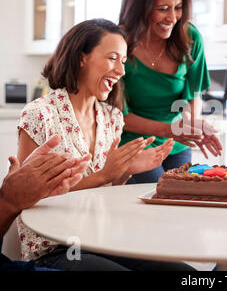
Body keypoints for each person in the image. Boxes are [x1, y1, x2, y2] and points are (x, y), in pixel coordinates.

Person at [15, 18, 193, 271]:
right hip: (56, 246)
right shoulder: (39, 115)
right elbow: (25, 197)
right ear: (81, 57)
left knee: (182, 272)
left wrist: (125, 170)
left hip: (103, 239)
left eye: (123, 61)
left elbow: (106, 191)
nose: (121, 71)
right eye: (112, 58)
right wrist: (104, 175)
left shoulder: (112, 118)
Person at [118, 0, 223, 184]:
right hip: (134, 145)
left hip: (177, 144)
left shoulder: (190, 37)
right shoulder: (118, 43)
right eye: (163, 9)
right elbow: (118, 116)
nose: (172, 18)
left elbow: (193, 94)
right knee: (153, 199)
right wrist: (171, 130)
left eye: (178, 8)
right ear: (140, 7)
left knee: (183, 199)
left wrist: (191, 125)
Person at [1, 135, 89, 270]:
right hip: (54, 250)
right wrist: (8, 202)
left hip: (86, 237)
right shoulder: (39, 116)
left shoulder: (108, 120)